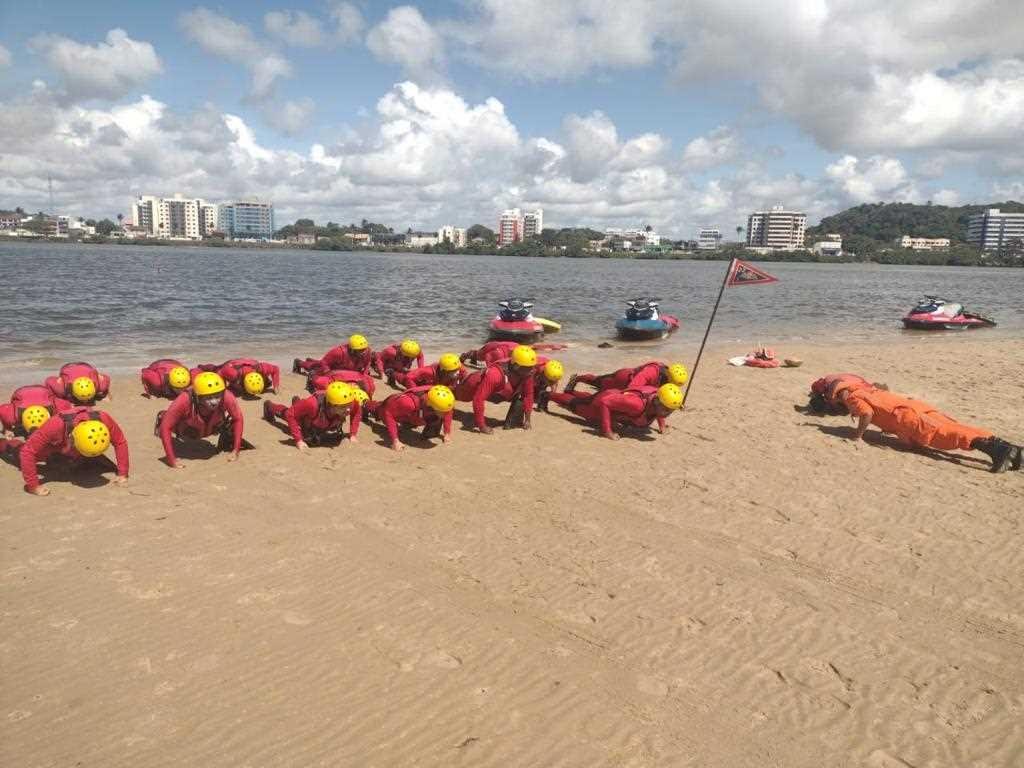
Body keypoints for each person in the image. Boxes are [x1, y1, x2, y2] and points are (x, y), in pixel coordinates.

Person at [827, 379, 1022, 473]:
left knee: (948, 435)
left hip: (908, 417)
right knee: (958, 428)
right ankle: (1012, 450)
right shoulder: (868, 389)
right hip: (917, 408)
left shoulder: (852, 397)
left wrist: (858, 436)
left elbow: (867, 413)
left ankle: (998, 451)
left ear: (835, 395)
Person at [6, 406, 129, 496]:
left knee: (91, 465)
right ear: (72, 439)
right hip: (52, 445)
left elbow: (120, 442)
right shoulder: (56, 425)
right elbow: (28, 452)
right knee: (19, 452)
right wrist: (33, 485)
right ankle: (4, 444)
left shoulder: (103, 418)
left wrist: (122, 473)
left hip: (67, 443)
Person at [156, 372, 245, 469]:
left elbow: (238, 419)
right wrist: (171, 459)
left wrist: (236, 450)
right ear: (198, 397)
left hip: (212, 426)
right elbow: (166, 427)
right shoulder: (184, 400)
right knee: (171, 424)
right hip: (188, 428)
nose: (214, 402)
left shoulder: (226, 396)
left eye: (217, 396)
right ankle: (162, 416)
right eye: (209, 398)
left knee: (230, 423)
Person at [544, 383, 684, 440]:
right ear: (656, 402)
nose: (667, 414)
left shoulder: (658, 399)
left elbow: (660, 409)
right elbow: (605, 403)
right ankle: (547, 395)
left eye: (670, 411)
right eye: (666, 410)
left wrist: (662, 426)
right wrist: (607, 431)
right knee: (574, 406)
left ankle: (572, 391)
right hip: (603, 401)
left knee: (586, 398)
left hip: (615, 396)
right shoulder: (636, 405)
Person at [454, 345, 537, 433]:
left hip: (496, 389)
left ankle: (512, 422)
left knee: (520, 396)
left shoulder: (527, 373)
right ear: (516, 366)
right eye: (528, 367)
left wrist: (527, 419)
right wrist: (482, 426)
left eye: (533, 366)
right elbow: (478, 399)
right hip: (471, 385)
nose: (532, 370)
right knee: (454, 394)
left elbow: (528, 395)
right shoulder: (495, 374)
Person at [264, 381, 363, 450]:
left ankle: (297, 402)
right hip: (309, 419)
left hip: (321, 420)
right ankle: (269, 406)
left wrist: (353, 434)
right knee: (287, 413)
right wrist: (299, 440)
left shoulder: (349, 401)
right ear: (331, 404)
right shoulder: (313, 404)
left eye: (349, 405)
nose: (348, 409)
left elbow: (357, 412)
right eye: (343, 407)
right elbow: (290, 415)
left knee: (300, 408)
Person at [367, 385, 455, 451]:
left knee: (435, 418)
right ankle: (364, 404)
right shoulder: (408, 403)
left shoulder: (439, 401)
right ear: (431, 406)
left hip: (412, 413)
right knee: (375, 409)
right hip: (390, 406)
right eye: (443, 411)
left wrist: (447, 432)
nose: (446, 413)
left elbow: (448, 411)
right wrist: (395, 440)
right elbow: (388, 413)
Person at [1, 385, 73, 438]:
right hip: (21, 393)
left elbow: (68, 405)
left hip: (43, 392)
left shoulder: (55, 408)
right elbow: (2, 411)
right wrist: (7, 428)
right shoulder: (13, 416)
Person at [566, 361, 688, 393]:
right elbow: (632, 387)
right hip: (622, 379)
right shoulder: (651, 372)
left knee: (598, 382)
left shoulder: (666, 377)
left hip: (628, 378)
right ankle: (577, 378)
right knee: (597, 382)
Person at [293, 334, 374, 376]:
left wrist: (364, 374)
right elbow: (324, 363)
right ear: (352, 349)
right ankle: (299, 363)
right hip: (333, 368)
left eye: (364, 349)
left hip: (348, 369)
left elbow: (367, 363)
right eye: (360, 350)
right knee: (313, 369)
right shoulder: (338, 352)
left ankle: (312, 360)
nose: (363, 352)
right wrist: (328, 374)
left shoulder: (367, 351)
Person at [44, 362, 111, 404]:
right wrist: (59, 382)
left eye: (88, 399)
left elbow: (106, 378)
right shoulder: (63, 389)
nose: (85, 402)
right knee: (61, 394)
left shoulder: (100, 386)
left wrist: (99, 377)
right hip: (67, 368)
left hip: (87, 367)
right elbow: (48, 380)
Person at [460, 341, 567, 367]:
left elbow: (535, 346)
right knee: (476, 354)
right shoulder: (488, 354)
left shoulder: (513, 350)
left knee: (534, 349)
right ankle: (464, 358)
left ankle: (556, 346)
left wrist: (555, 346)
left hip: (500, 347)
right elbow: (488, 357)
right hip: (499, 347)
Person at [392, 353, 466, 389]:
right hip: (421, 381)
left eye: (457, 369)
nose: (457, 372)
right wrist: (416, 391)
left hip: (436, 383)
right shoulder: (428, 372)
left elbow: (464, 378)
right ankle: (392, 373)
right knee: (403, 378)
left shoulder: (458, 367)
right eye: (453, 371)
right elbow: (408, 377)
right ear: (444, 371)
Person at [213, 358, 280, 396]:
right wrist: (223, 388)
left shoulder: (261, 368)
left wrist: (276, 386)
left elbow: (275, 369)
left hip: (248, 363)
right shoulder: (233, 373)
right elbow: (220, 372)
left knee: (268, 383)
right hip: (231, 364)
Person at [305, 368, 376, 397]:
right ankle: (312, 376)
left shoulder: (368, 387)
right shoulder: (367, 385)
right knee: (322, 383)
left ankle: (313, 375)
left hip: (341, 375)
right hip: (337, 376)